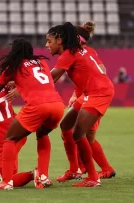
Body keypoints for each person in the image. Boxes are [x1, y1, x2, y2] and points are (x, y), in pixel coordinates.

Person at [0, 38, 64, 190]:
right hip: (57, 105)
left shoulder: (12, 66)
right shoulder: (41, 62)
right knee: (43, 134)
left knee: (10, 139)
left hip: (37, 105)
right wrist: (18, 84)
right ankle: (43, 175)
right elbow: (42, 80)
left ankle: (6, 182)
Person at [48, 22, 114, 187]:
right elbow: (102, 69)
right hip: (90, 93)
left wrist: (26, 85)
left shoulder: (69, 54)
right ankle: (75, 169)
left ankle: (93, 177)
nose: (46, 45)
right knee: (65, 125)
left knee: (79, 134)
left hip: (99, 93)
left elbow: (52, 78)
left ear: (60, 41)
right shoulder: (82, 51)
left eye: (49, 41)